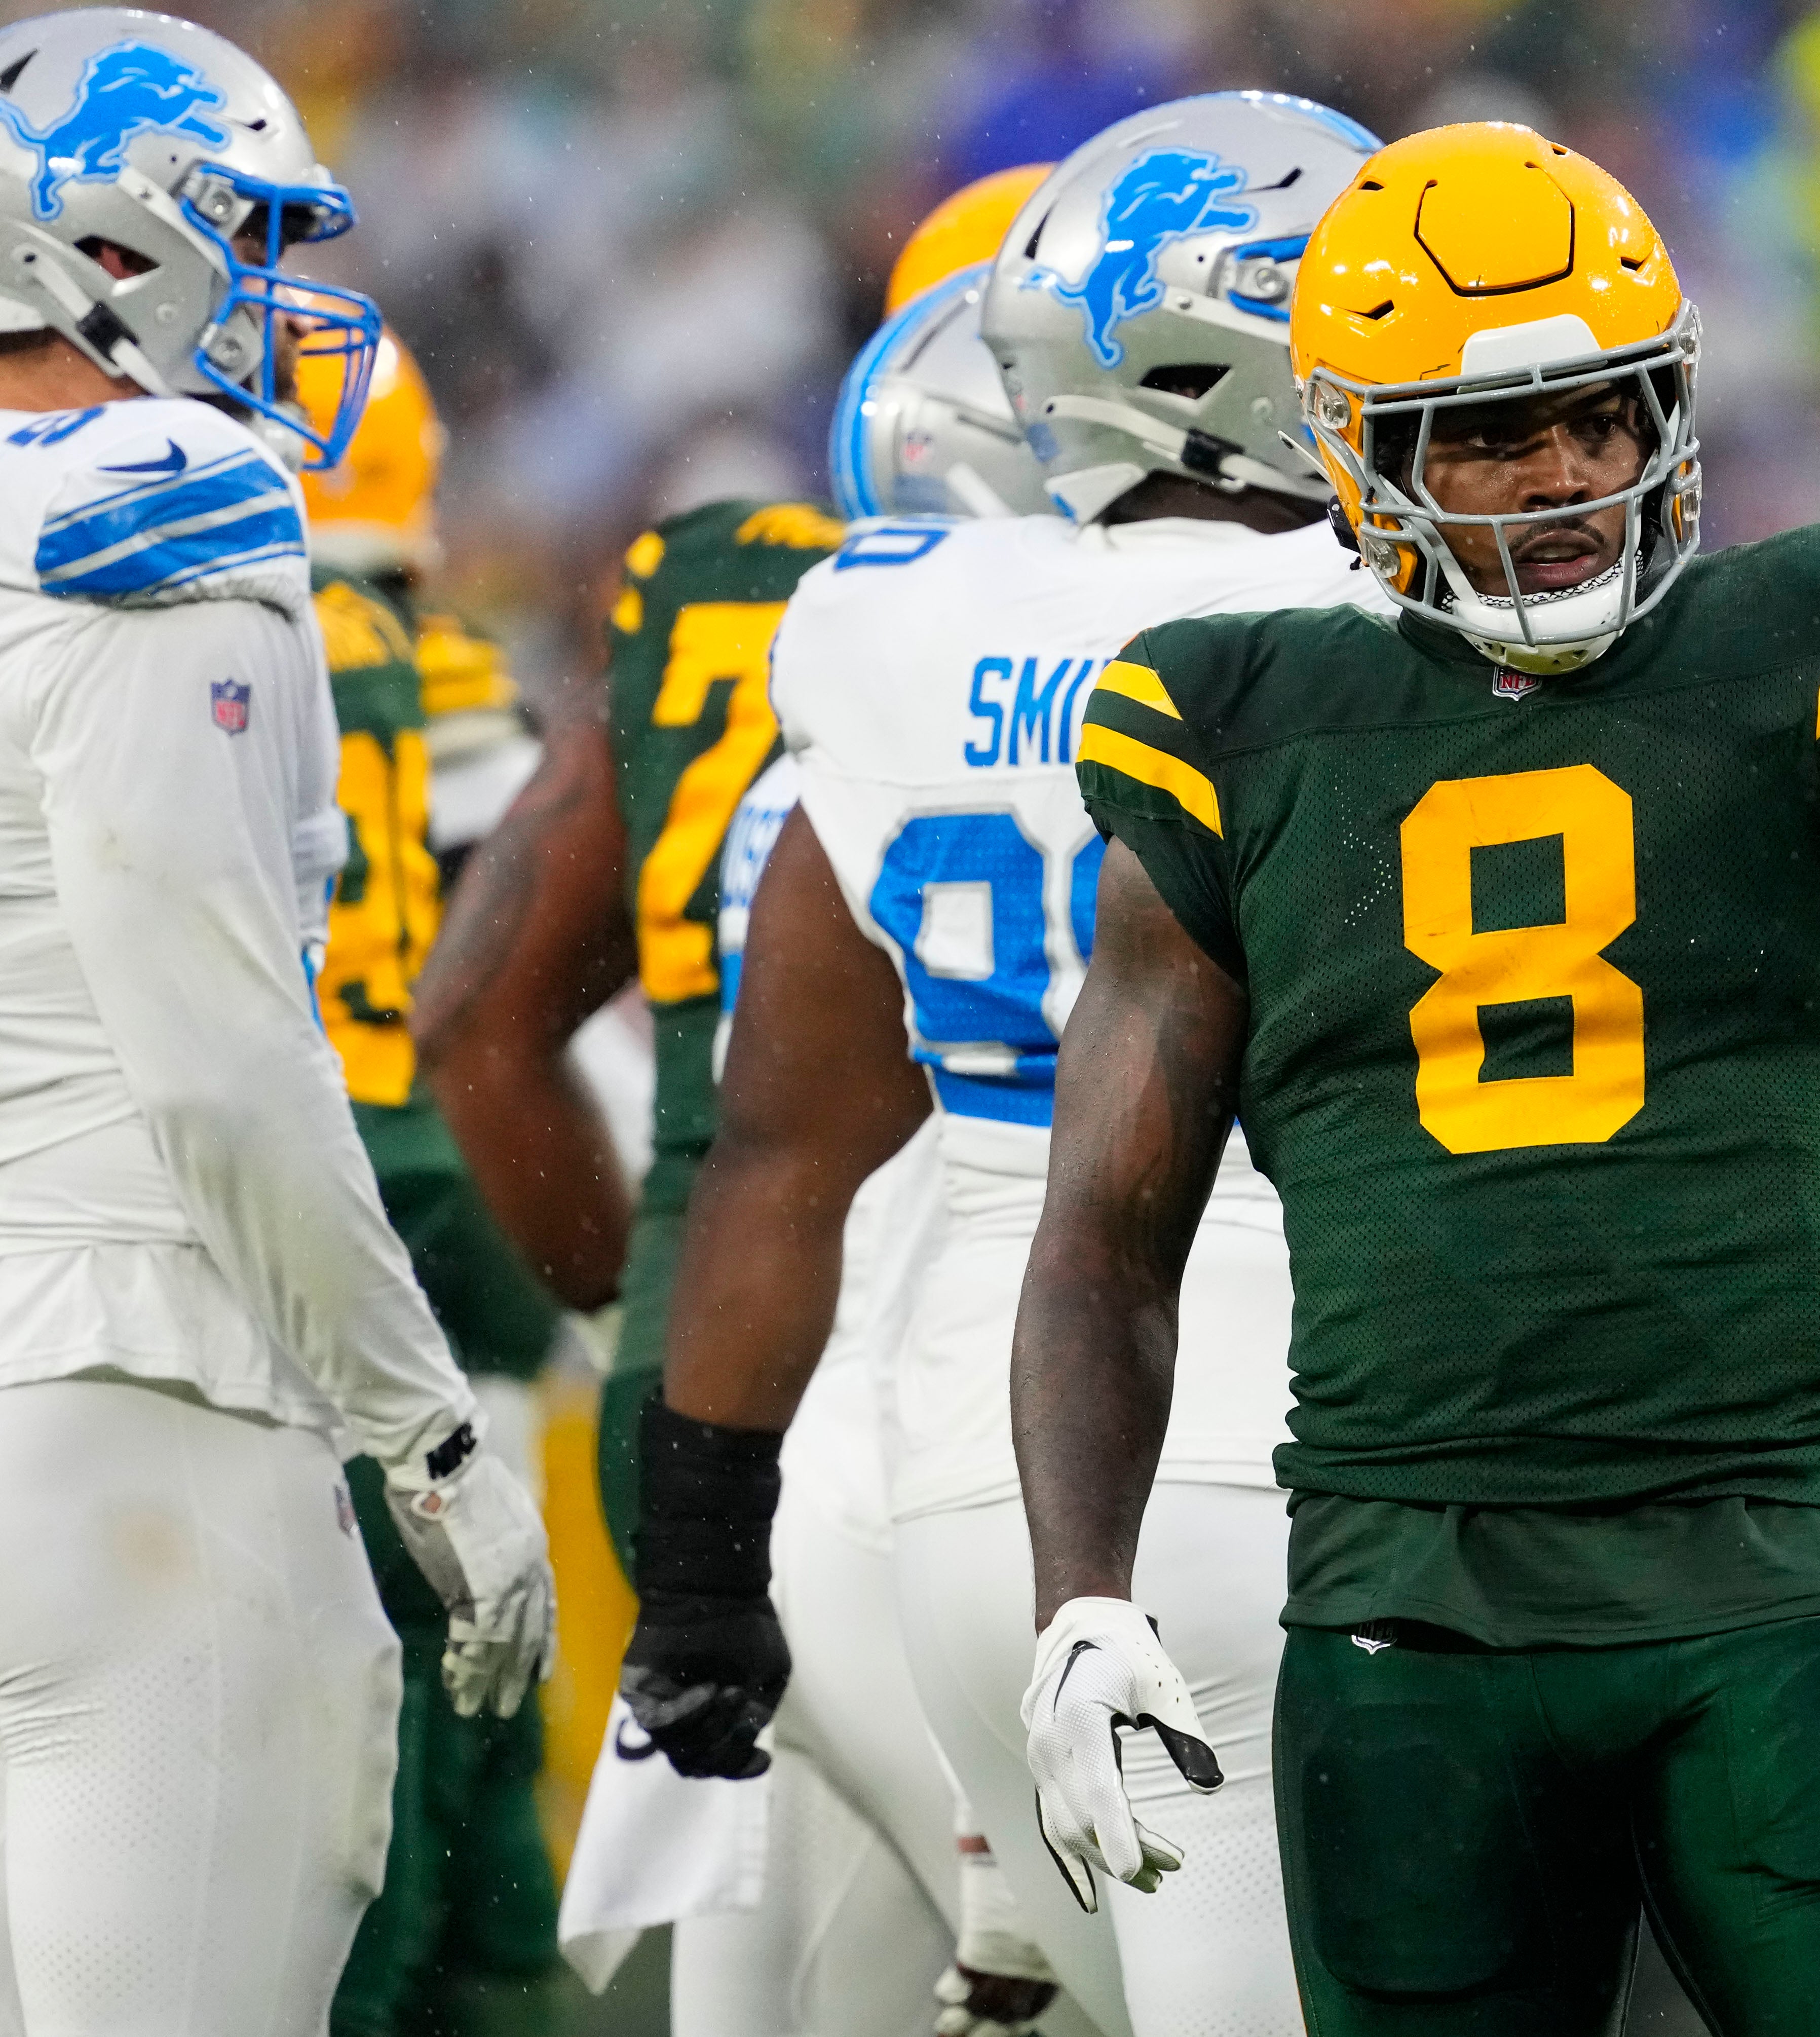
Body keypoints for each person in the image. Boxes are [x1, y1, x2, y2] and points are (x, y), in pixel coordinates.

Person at [1013, 121, 1820, 2034]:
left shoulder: (1815, 638)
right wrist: (1079, 1593)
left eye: (1604, 417)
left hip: (1776, 1571)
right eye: (1491, 432)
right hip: (1414, 1611)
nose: (1562, 474)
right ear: (1357, 449)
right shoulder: (1236, 714)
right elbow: (1103, 1242)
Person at [629, 92, 1390, 2035]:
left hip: (965, 1506)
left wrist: (703, 1563)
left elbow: (781, 1147)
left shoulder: (897, 625)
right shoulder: (1364, 629)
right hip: (1263, 1454)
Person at [416, 170, 1080, 2036]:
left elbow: (472, 1022)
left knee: (787, 1996)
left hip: (727, 1363)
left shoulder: (751, 594)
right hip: (1002, 1378)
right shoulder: (1196, 632)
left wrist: (641, 1312)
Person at [0, 11, 552, 2032]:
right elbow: (224, 1060)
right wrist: (423, 1431)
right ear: (104, 251)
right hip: (129, 1390)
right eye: (241, 234)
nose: (280, 302)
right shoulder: (155, 494)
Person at [294, 326, 577, 2037]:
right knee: (479, 1607)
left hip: (308, 1179)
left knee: (366, 1659)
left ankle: (396, 1985)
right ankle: (498, 1955)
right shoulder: (437, 663)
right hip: (466, 1167)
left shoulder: (157, 614)